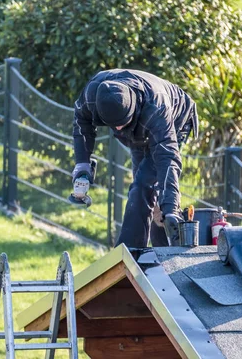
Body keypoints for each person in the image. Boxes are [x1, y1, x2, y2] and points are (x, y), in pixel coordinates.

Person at [71, 69, 198, 247]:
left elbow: (167, 158)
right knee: (144, 191)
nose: (119, 128)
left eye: (123, 122)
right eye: (114, 125)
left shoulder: (156, 107)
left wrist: (171, 208)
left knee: (144, 185)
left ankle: (132, 252)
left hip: (175, 121)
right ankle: (153, 251)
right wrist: (82, 164)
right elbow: (81, 123)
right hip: (139, 132)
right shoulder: (92, 95)